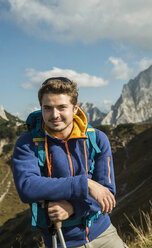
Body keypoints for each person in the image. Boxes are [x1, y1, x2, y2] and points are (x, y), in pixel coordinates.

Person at [13, 77, 128, 248]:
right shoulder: (28, 143)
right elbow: (27, 187)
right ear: (41, 108)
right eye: (48, 108)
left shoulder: (96, 139)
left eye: (62, 107)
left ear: (75, 108)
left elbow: (107, 193)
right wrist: (85, 184)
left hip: (104, 233)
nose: (54, 115)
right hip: (61, 240)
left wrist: (73, 208)